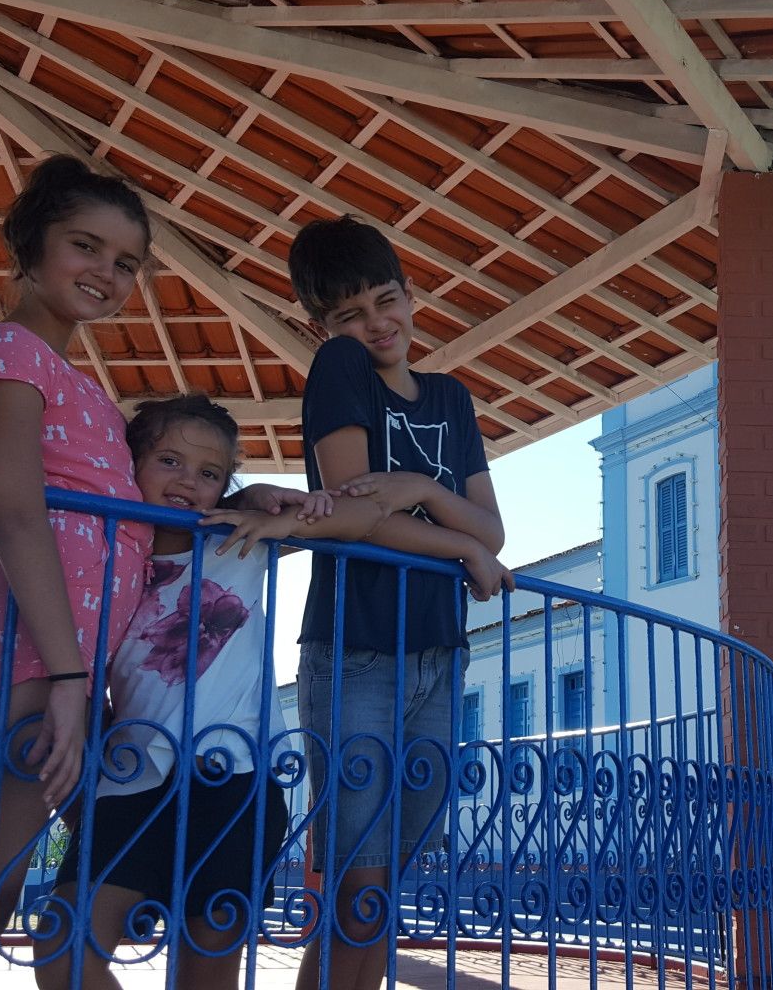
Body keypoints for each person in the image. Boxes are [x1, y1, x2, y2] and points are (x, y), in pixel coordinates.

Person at [207, 215, 509, 990]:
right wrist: (460, 544)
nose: (377, 324)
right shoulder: (341, 368)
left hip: (440, 653)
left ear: (411, 294)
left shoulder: (451, 397)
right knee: (361, 884)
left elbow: (492, 527)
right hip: (357, 651)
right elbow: (356, 518)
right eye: (349, 315)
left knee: (382, 888)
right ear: (321, 327)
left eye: (386, 301)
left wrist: (422, 491)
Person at [32, 394, 407, 989]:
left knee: (205, 974)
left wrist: (260, 501)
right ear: (130, 463)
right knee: (61, 950)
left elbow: (356, 519)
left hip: (234, 787)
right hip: (130, 783)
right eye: (169, 462)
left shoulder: (238, 540)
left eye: (208, 474)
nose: (188, 482)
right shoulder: (104, 556)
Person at [0, 155, 157, 988]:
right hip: (36, 653)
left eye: (126, 263)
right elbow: (15, 510)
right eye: (86, 245)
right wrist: (74, 677)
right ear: (30, 245)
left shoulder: (69, 376)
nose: (107, 275)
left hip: (51, 653)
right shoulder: (10, 349)